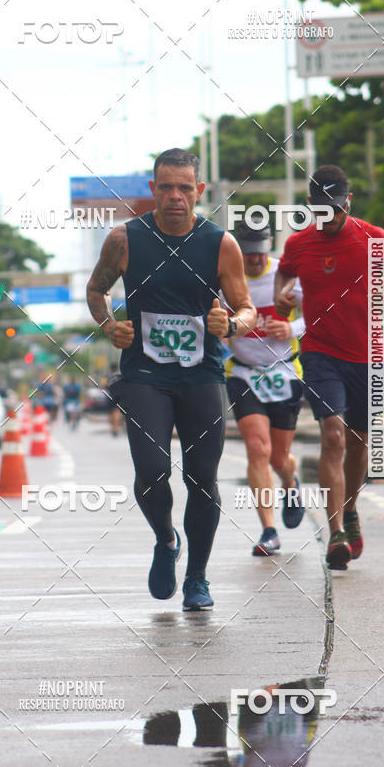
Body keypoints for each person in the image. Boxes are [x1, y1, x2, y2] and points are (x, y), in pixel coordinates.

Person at [86, 147, 256, 610]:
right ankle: (166, 539)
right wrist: (108, 327)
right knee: (151, 472)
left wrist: (234, 325)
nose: (175, 196)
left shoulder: (220, 243)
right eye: (166, 187)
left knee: (203, 478)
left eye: (185, 188)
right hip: (144, 374)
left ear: (199, 191)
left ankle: (197, 579)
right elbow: (96, 288)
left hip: (201, 374)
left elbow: (246, 305)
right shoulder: (124, 239)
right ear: (153, 190)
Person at [274, 164, 384, 570]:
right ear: (310, 206)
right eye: (321, 210)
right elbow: (285, 271)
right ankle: (335, 532)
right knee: (332, 436)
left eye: (335, 209)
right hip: (320, 353)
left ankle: (350, 510)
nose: (329, 217)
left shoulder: (376, 238)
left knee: (358, 444)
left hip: (369, 354)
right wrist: (283, 295)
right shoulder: (300, 244)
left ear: (348, 203)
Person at [225, 220, 306, 557]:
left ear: (269, 246)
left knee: (278, 456)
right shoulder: (226, 280)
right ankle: (269, 530)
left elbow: (317, 316)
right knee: (257, 448)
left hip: (285, 371)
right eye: (248, 255)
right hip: (243, 373)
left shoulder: (286, 277)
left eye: (260, 254)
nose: (255, 261)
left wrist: (290, 328)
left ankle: (291, 483)